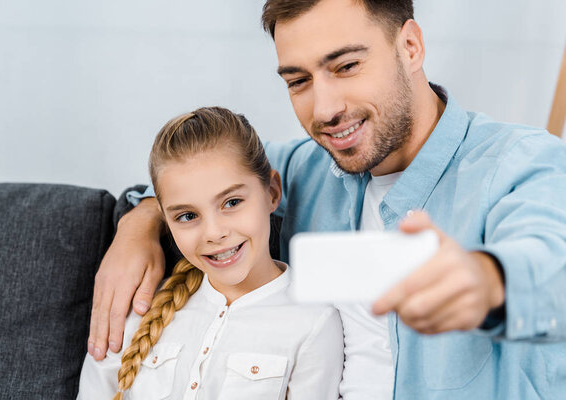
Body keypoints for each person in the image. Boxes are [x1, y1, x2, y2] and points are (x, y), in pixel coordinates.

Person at [88, 0, 566, 398]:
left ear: (411, 46)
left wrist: (486, 282)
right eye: (298, 81)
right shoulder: (305, 167)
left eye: (347, 66)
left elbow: (550, 268)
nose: (325, 109)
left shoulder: (521, 162)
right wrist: (140, 221)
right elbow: (199, 175)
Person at [78, 107, 344, 399]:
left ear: (271, 193)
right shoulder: (139, 307)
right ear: (166, 221)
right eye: (188, 216)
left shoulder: (313, 322)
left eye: (231, 202)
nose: (214, 233)